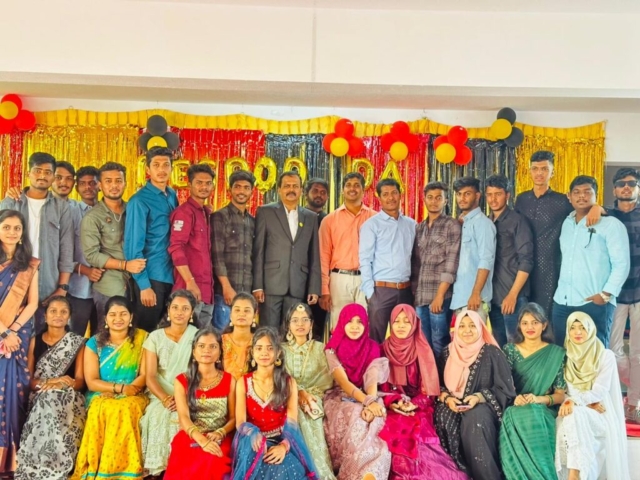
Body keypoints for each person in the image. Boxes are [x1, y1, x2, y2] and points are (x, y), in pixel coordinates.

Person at [380, 304, 467, 480]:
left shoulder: (422, 349)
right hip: (392, 407)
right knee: (392, 430)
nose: (401, 325)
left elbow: (429, 388)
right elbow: (380, 387)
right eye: (397, 321)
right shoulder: (383, 349)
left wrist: (414, 404)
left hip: (419, 407)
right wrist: (394, 402)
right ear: (391, 323)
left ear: (414, 324)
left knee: (419, 435)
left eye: (407, 321)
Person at [70, 296, 148, 480]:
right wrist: (118, 389)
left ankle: (127, 469)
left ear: (131, 317)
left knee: (126, 408)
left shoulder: (143, 339)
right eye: (113, 314)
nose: (118, 318)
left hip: (134, 392)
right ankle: (102, 469)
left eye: (123, 314)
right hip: (101, 393)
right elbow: (91, 381)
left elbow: (146, 374)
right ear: (105, 318)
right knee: (103, 408)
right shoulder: (94, 343)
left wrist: (129, 390)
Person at [515, 150, 601, 318]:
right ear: (530, 171)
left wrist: (597, 207)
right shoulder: (522, 199)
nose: (539, 173)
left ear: (552, 172)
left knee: (548, 317)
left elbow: (583, 210)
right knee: (525, 316)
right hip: (522, 267)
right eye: (535, 168)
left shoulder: (562, 201)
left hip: (551, 268)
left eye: (544, 169)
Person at [434, 310, 516, 480]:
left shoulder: (492, 352)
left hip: (483, 404)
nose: (467, 330)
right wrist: (448, 399)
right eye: (462, 326)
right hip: (451, 404)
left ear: (480, 327)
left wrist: (478, 397)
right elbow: (437, 386)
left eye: (472, 325)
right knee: (443, 415)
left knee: (476, 419)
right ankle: (457, 475)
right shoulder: (446, 353)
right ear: (456, 329)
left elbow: (505, 389)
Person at [552, 175, 629, 347]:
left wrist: (606, 294)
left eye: (587, 192)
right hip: (562, 302)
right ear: (569, 196)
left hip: (594, 303)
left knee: (595, 355)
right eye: (576, 192)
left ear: (596, 195)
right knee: (562, 354)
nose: (581, 196)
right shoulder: (566, 223)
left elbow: (621, 264)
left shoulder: (611, 225)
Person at [232, 326, 319, 479]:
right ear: (252, 352)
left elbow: (292, 423)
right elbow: (240, 422)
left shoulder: (288, 383)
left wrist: (284, 446)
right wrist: (253, 434)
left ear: (278, 352)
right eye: (259, 348)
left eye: (270, 348)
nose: (264, 353)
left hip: (280, 440)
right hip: (252, 441)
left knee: (288, 469)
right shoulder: (243, 382)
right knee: (258, 466)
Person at [0, 153, 73, 333]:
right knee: (9, 333)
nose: (42, 176)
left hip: (48, 282)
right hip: (11, 278)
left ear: (53, 177)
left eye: (47, 172)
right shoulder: (11, 202)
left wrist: (62, 287)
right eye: (37, 171)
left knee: (40, 335)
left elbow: (66, 249)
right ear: (28, 173)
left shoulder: (61, 207)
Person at [16, 296, 86, 480]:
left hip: (68, 396)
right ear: (45, 316)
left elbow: (80, 381)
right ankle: (39, 463)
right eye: (53, 311)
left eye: (63, 311)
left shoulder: (77, 343)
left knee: (54, 397)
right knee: (48, 398)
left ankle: (56, 463)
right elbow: (30, 381)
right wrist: (51, 383)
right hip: (40, 395)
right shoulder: (34, 341)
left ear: (69, 317)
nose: (58, 315)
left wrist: (63, 384)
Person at [555, 312, 630, 480]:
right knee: (572, 418)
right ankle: (575, 474)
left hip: (599, 412)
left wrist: (575, 401)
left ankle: (574, 475)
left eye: (582, 327)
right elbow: (562, 391)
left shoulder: (605, 355)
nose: (577, 332)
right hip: (573, 410)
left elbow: (600, 391)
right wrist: (579, 402)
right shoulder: (564, 356)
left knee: (574, 416)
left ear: (591, 329)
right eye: (573, 328)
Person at [499, 303, 566, 480]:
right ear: (519, 326)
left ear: (544, 325)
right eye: (525, 323)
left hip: (542, 408)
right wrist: (514, 399)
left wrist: (538, 399)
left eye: (535, 322)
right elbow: (502, 386)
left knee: (532, 413)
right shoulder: (509, 350)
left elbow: (560, 395)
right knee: (516, 414)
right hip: (515, 406)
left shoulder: (555, 353)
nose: (530, 327)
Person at [323, 304, 391, 479]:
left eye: (359, 321)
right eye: (350, 321)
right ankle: (356, 473)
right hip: (341, 397)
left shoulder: (372, 347)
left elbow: (371, 379)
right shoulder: (332, 348)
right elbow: (344, 382)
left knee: (374, 420)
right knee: (356, 416)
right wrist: (367, 402)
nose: (354, 326)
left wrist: (371, 402)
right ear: (342, 323)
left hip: (368, 395)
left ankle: (371, 471)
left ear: (366, 324)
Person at [139, 290, 199, 476]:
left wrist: (183, 397)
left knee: (184, 417)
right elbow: (150, 376)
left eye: (185, 308)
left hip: (189, 393)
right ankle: (159, 469)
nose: (179, 312)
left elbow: (201, 373)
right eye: (175, 308)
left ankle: (180, 470)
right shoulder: (155, 337)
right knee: (158, 415)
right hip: (160, 394)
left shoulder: (198, 337)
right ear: (168, 311)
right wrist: (165, 398)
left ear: (192, 313)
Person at [252, 171, 321, 328]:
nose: (291, 190)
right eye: (287, 186)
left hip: (298, 285)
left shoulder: (310, 217)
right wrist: (257, 285)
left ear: (301, 190)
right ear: (279, 190)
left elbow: (314, 255)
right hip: (270, 286)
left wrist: (314, 288)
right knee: (269, 332)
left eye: (295, 186)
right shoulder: (266, 212)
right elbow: (258, 251)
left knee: (292, 332)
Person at [164, 327, 235, 480]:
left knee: (212, 460)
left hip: (220, 437)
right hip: (191, 435)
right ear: (194, 352)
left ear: (220, 352)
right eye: (201, 346)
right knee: (188, 462)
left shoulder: (229, 380)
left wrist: (220, 432)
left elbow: (234, 418)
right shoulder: (182, 380)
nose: (206, 350)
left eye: (213, 346)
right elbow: (183, 417)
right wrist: (202, 441)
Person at [81, 162, 146, 329]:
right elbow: (92, 255)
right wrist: (125, 265)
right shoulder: (92, 217)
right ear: (100, 185)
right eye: (108, 181)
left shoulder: (134, 209)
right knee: (106, 334)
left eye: (118, 181)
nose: (114, 185)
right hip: (109, 285)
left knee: (134, 333)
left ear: (125, 183)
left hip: (137, 283)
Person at [0, 210, 39, 475]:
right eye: (6, 227)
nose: (12, 232)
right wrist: (4, 333)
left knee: (14, 393)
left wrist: (13, 331)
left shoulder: (30, 264)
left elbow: (33, 303)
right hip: (5, 334)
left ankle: (11, 461)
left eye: (17, 228)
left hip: (19, 334)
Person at [125, 146, 178, 332]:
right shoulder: (139, 201)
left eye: (166, 165)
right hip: (151, 276)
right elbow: (133, 247)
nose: (161, 170)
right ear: (148, 169)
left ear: (171, 168)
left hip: (171, 275)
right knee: (144, 333)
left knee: (164, 334)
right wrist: (144, 285)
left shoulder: (172, 195)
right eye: (156, 165)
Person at [282, 302, 335, 480]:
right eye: (295, 320)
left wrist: (307, 396)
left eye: (305, 320)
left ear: (311, 324)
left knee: (309, 414)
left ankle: (321, 472)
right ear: (288, 324)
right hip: (287, 397)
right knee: (296, 413)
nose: (300, 324)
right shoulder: (280, 350)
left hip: (315, 397)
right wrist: (298, 393)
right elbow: (278, 378)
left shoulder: (321, 348)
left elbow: (326, 379)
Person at [360, 179, 416, 342]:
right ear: (379, 198)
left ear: (400, 195)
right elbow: (365, 260)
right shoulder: (372, 225)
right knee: (375, 339)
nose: (390, 198)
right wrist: (370, 293)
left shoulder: (411, 224)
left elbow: (415, 258)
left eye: (394, 193)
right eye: (385, 194)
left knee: (404, 339)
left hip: (406, 290)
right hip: (381, 291)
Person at [319, 172, 376, 332]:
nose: (352, 189)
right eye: (348, 185)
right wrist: (324, 289)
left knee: (364, 326)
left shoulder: (375, 218)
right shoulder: (329, 220)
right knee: (339, 326)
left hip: (366, 278)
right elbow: (323, 256)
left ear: (363, 190)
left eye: (357, 185)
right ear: (342, 190)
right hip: (339, 279)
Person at [411, 181, 461, 357]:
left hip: (440, 295)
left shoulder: (451, 225)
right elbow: (416, 263)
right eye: (430, 197)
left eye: (438, 198)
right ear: (424, 199)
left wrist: (440, 295)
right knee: (424, 342)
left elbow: (452, 263)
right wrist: (414, 294)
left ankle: (443, 374)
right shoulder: (419, 228)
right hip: (421, 296)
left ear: (445, 201)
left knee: (440, 340)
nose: (434, 201)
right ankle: (429, 374)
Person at [485, 174, 534, 347]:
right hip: (493, 297)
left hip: (513, 296)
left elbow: (526, 260)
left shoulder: (517, 221)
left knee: (517, 346)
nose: (493, 199)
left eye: (498, 194)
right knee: (499, 346)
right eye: (489, 194)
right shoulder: (486, 222)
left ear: (507, 195)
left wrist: (512, 295)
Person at [607, 167, 640, 422]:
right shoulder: (606, 216)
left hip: (639, 295)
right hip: (614, 294)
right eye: (621, 184)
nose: (626, 187)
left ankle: (633, 404)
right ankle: (623, 396)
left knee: (638, 353)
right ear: (615, 189)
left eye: (631, 183)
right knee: (613, 350)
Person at [169, 164, 215, 327]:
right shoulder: (184, 212)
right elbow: (176, 248)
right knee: (184, 337)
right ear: (189, 185)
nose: (204, 187)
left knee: (202, 340)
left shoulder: (206, 213)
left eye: (208, 183)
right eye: (199, 183)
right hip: (188, 291)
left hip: (207, 292)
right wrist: (189, 281)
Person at [211, 170, 256, 331]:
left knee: (243, 336)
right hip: (225, 292)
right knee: (222, 335)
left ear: (252, 191)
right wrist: (226, 286)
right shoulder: (220, 216)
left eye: (246, 187)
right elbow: (217, 255)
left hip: (247, 293)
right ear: (230, 189)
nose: (241, 191)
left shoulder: (253, 221)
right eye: (237, 187)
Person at [450, 177, 496, 322]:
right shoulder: (462, 223)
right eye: (459, 194)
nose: (462, 198)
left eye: (467, 194)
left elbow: (486, 260)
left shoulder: (483, 224)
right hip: (459, 298)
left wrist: (476, 293)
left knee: (475, 337)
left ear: (477, 196)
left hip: (474, 300)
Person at [67, 165, 102, 336]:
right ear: (76, 187)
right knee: (73, 337)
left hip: (105, 288)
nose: (88, 187)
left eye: (92, 183)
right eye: (82, 183)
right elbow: (62, 251)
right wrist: (85, 270)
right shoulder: (70, 212)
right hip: (78, 287)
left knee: (101, 337)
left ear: (99, 185)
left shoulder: (109, 211)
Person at [304, 177, 330, 339]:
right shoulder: (297, 217)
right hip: (298, 281)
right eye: (315, 191)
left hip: (321, 284)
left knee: (317, 330)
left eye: (323, 192)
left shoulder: (329, 221)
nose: (319, 195)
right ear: (306, 193)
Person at [222, 292, 257, 380]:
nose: (242, 314)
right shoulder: (220, 342)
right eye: (237, 310)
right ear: (230, 314)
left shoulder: (260, 342)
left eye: (247, 310)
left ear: (254, 315)